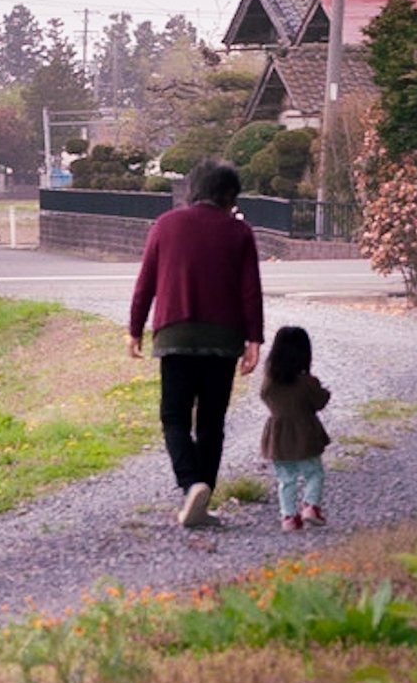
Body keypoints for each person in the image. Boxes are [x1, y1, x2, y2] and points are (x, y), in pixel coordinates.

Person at [127, 160, 264, 528]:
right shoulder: (240, 233)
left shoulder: (166, 225)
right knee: (212, 422)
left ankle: (191, 487)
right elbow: (250, 291)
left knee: (174, 416)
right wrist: (255, 339)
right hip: (223, 339)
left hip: (175, 334)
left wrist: (135, 327)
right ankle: (202, 495)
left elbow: (146, 282)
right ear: (230, 195)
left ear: (193, 190)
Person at [259, 325, 330, 532]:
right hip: (305, 434)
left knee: (286, 479)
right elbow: (320, 401)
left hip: (278, 435)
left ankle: (289, 517)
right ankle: (310, 506)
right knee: (314, 472)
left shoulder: (270, 383)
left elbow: (264, 398)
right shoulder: (306, 382)